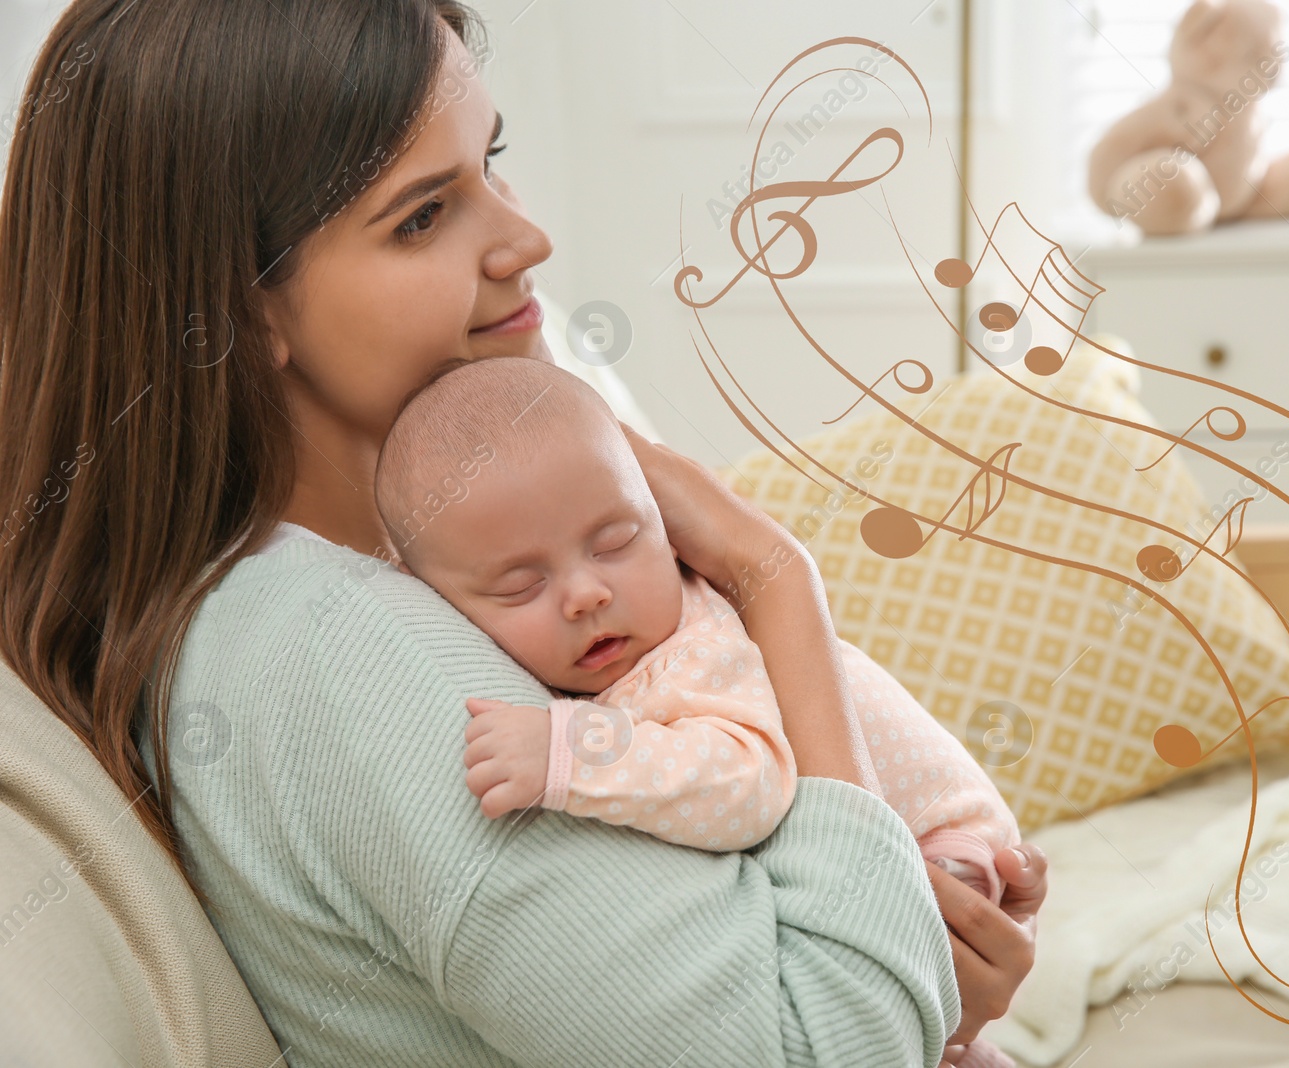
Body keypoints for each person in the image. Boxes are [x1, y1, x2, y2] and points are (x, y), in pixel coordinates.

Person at [0, 2, 1046, 1066]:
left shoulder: (412, 558)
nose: (524, 238)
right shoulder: (344, 656)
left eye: (491, 161)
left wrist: (918, 952)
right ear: (237, 310)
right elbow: (824, 1047)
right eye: (421, 216)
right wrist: (775, 577)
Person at [373, 357, 1023, 904]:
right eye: (521, 586)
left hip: (945, 843)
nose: (586, 594)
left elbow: (749, 787)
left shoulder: (691, 650)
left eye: (617, 542)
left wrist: (573, 750)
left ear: (667, 525)